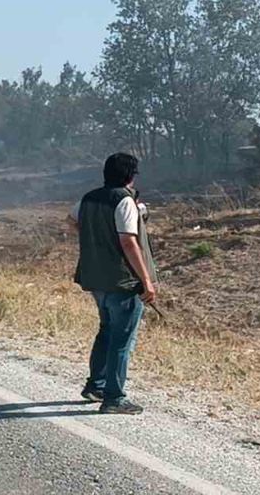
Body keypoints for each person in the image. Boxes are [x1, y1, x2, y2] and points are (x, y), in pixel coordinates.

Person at [68, 152, 158, 415]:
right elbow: (129, 242)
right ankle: (114, 397)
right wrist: (146, 281)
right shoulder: (125, 201)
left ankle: (95, 385)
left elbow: (71, 220)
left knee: (106, 331)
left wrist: (95, 238)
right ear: (131, 176)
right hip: (122, 281)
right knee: (121, 340)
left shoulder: (88, 198)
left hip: (95, 278)